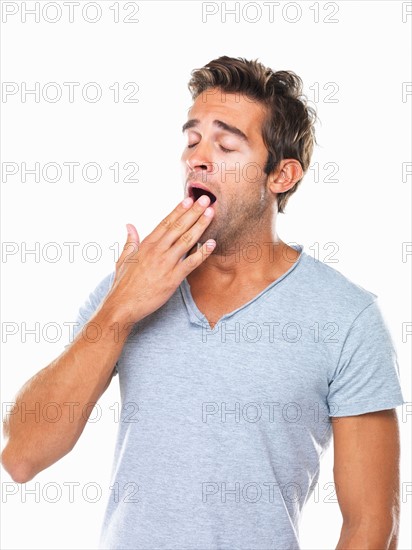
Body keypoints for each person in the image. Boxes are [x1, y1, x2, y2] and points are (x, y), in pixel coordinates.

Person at [2, 56, 405, 549]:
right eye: (192, 140)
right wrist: (119, 309)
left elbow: (371, 525)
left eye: (227, 143)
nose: (198, 156)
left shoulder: (347, 318)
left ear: (281, 175)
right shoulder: (126, 288)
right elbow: (21, 456)